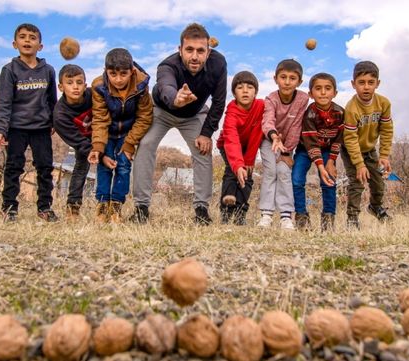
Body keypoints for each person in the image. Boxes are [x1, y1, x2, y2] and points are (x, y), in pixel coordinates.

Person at [131, 23, 227, 225]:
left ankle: (201, 209)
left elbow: (218, 102)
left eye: (200, 51)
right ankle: (141, 207)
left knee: (203, 149)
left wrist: (206, 133)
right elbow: (166, 86)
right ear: (180, 50)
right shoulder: (167, 66)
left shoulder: (219, 64)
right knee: (146, 144)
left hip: (194, 114)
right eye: (189, 50)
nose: (194, 56)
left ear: (208, 52)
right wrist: (176, 98)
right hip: (162, 110)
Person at [0, 23, 58, 222]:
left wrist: (54, 120)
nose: (27, 40)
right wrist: (0, 129)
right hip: (16, 128)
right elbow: (2, 102)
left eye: (32, 37)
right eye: (23, 37)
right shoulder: (9, 70)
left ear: (40, 46)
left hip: (41, 128)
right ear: (14, 43)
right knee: (13, 167)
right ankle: (9, 208)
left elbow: (52, 100)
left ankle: (44, 208)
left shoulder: (48, 71)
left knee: (45, 168)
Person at [89, 48, 153, 223]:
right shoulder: (99, 87)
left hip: (128, 132)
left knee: (123, 167)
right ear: (105, 72)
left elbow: (145, 116)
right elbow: (100, 118)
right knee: (105, 165)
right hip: (107, 132)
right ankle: (102, 205)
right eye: (112, 74)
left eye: (123, 74)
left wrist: (130, 144)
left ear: (132, 71)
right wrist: (98, 147)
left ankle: (117, 205)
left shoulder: (141, 86)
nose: (118, 79)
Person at [341, 60, 394, 229]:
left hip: (370, 149)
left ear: (377, 84)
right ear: (353, 84)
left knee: (378, 182)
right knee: (357, 183)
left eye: (371, 83)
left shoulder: (383, 103)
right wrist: (359, 165)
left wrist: (384, 155)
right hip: (352, 151)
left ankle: (375, 206)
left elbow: (386, 129)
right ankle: (352, 217)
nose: (366, 87)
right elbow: (350, 138)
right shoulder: (351, 108)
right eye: (361, 83)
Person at [258, 59, 309, 230]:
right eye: (283, 77)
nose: (287, 82)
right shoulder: (271, 99)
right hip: (268, 140)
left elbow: (296, 126)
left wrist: (287, 152)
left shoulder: (302, 99)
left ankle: (286, 215)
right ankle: (266, 214)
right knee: (271, 172)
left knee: (284, 172)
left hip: (288, 145)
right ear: (275, 79)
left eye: (292, 78)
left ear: (299, 81)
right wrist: (274, 137)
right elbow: (267, 121)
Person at [292, 72, 344, 231]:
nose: (323, 92)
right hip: (306, 149)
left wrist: (330, 162)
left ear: (335, 93)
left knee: (329, 181)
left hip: (328, 150)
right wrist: (320, 167)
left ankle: (328, 220)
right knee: (296, 179)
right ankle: (302, 218)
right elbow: (311, 143)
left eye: (328, 88)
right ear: (310, 93)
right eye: (318, 88)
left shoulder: (340, 113)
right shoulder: (310, 113)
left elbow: (338, 139)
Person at [217, 71, 265, 225]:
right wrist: (238, 165)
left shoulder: (261, 107)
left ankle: (240, 214)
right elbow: (231, 140)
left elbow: (258, 134)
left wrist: (249, 160)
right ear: (234, 93)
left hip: (248, 148)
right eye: (240, 87)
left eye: (250, 87)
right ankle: (226, 210)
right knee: (232, 171)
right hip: (228, 146)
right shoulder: (231, 114)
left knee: (248, 177)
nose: (245, 90)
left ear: (256, 92)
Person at [52, 64, 93, 220]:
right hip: (81, 140)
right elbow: (79, 143)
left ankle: (108, 206)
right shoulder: (60, 115)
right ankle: (73, 208)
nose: (75, 87)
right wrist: (95, 153)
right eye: (70, 83)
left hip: (102, 135)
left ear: (85, 85)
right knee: (81, 167)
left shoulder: (93, 96)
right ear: (61, 87)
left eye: (79, 82)